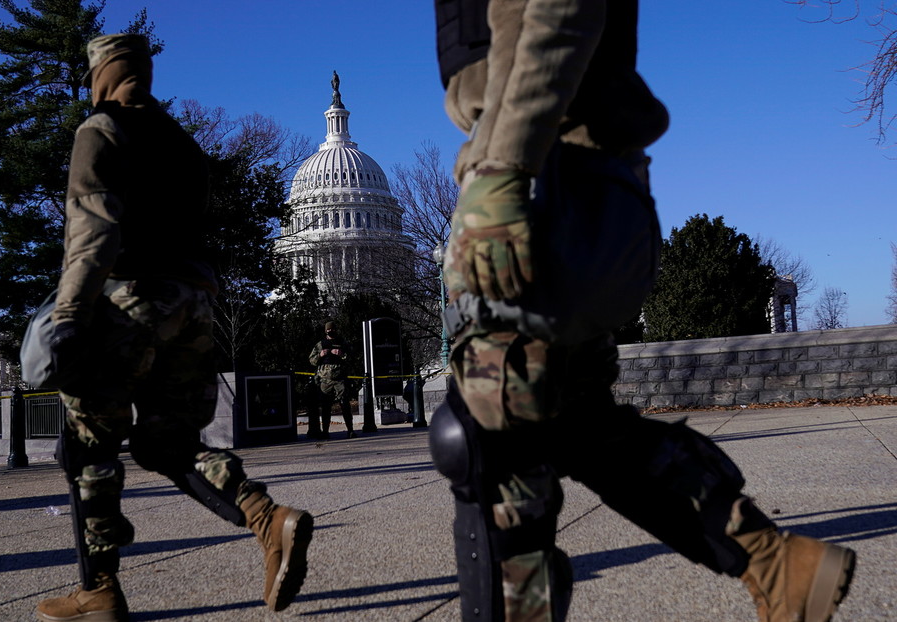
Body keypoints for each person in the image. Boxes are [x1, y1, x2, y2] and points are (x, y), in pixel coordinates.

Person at [428, 2, 856, 621]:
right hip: (575, 182)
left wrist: (501, 169)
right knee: (576, 423)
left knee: (490, 444)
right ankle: (776, 565)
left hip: (545, 178)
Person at [35, 34, 313, 622]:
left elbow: (94, 230)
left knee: (88, 446)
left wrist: (68, 318)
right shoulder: (183, 145)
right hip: (194, 302)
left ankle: (100, 590)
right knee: (168, 441)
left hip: (127, 298)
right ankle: (267, 519)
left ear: (102, 75)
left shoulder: (101, 130)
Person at [308, 321, 356, 438]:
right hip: (325, 380)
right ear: (326, 331)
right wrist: (321, 355)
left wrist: (341, 354)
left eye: (333, 329)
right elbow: (311, 360)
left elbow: (351, 356)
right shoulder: (320, 344)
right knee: (325, 406)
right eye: (329, 330)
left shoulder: (342, 343)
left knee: (345, 404)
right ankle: (325, 432)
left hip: (340, 379)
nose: (331, 332)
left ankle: (350, 430)